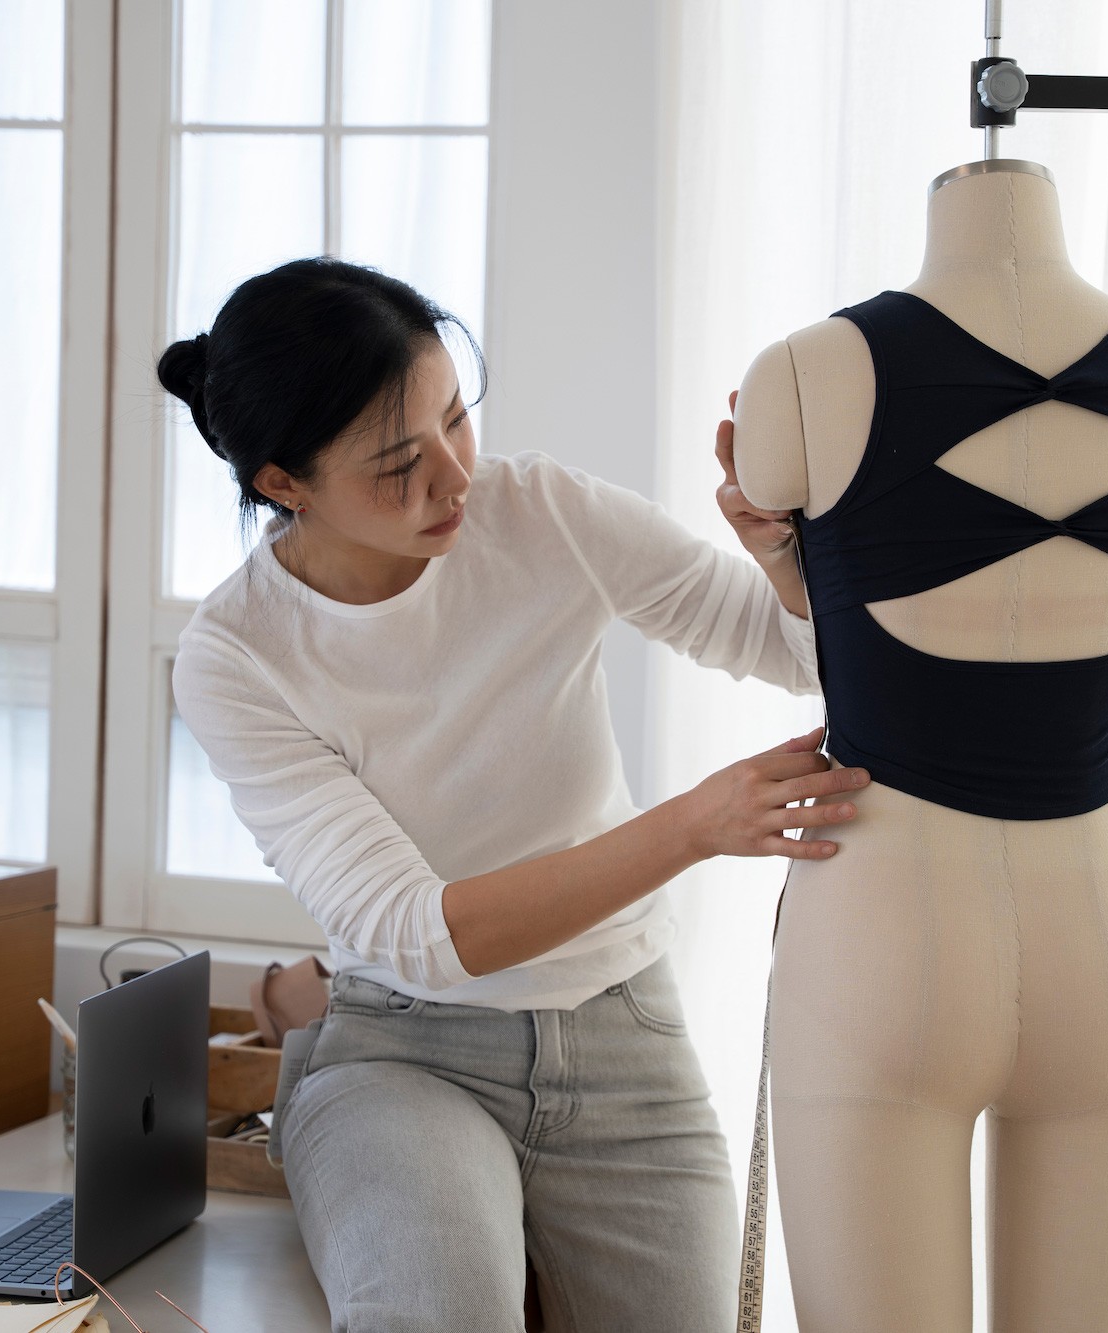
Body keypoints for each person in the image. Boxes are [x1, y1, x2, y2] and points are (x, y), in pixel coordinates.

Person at [159, 256, 873, 1333]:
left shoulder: (542, 511)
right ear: (284, 484)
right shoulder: (237, 655)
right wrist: (692, 826)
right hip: (406, 1052)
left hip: (626, 1033)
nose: (454, 477)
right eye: (398, 465)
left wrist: (782, 558)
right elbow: (421, 936)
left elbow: (796, 654)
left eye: (456, 416)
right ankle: (312, 1053)